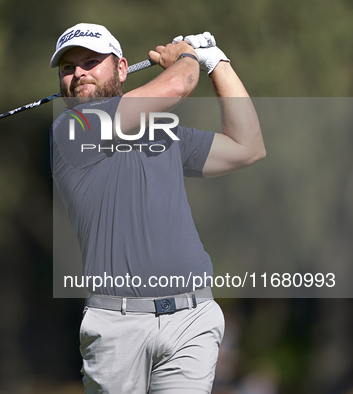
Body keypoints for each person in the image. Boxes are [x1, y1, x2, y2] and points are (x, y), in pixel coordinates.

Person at [50, 23, 265, 393]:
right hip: (117, 325)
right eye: (69, 68)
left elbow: (248, 147)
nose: (79, 72)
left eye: (90, 61)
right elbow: (178, 84)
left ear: (121, 69)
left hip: (190, 319)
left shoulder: (162, 132)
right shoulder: (71, 129)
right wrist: (184, 57)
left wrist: (217, 63)